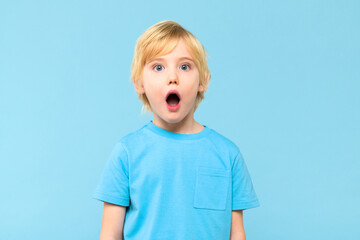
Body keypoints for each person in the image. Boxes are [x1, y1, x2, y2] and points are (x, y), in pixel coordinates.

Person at [92, 20, 260, 240]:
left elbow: (237, 234)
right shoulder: (126, 153)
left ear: (203, 80)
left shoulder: (228, 155)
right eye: (158, 67)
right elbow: (109, 235)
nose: (173, 77)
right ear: (139, 83)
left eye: (184, 66)